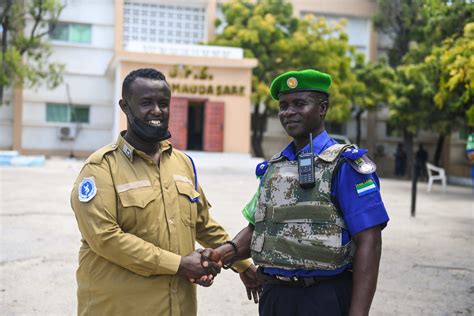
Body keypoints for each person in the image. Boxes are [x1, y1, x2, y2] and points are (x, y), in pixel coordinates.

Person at [200, 69, 390, 315]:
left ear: (322, 108)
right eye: (284, 105)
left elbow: (370, 242)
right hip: (275, 297)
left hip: (323, 297)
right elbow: (257, 229)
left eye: (300, 104)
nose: (289, 112)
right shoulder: (274, 168)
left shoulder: (345, 165)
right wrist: (224, 253)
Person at [70, 68, 252, 316]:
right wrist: (179, 265)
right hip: (119, 308)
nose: (157, 110)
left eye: (163, 103)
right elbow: (105, 238)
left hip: (177, 307)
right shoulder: (101, 168)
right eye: (146, 103)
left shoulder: (182, 163)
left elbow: (202, 225)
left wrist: (244, 266)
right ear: (125, 106)